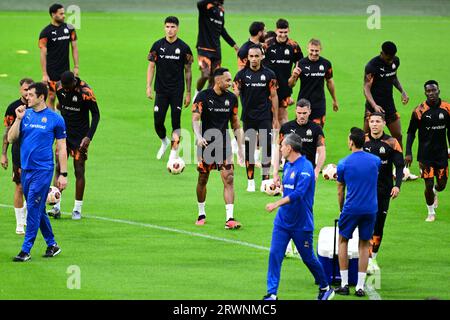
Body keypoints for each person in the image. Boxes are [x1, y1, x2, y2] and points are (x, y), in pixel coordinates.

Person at [263, 133, 334, 301]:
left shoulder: (306, 168)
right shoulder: (288, 166)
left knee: (308, 258)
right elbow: (288, 190)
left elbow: (299, 194)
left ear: (290, 148)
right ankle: (272, 294)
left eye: (282, 146)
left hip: (301, 224)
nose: (280, 149)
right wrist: (278, 187)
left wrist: (276, 204)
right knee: (275, 254)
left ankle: (326, 287)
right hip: (283, 222)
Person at [7, 82, 68, 262]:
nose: (27, 97)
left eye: (31, 95)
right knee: (38, 207)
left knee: (33, 206)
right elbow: (11, 138)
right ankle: (52, 244)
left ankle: (26, 249)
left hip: (43, 170)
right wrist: (18, 119)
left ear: (41, 97)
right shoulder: (25, 116)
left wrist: (63, 174)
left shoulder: (55, 119)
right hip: (26, 169)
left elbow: (62, 148)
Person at [192, 68, 244, 229]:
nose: (230, 83)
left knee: (229, 178)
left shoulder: (232, 99)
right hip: (206, 144)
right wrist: (198, 136)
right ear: (218, 80)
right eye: (227, 80)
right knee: (203, 179)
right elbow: (195, 118)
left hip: (224, 144)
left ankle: (230, 218)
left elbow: (235, 123)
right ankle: (201, 213)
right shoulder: (203, 97)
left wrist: (241, 148)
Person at [47, 71, 100, 220]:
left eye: (68, 87)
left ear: (74, 82)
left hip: (80, 137)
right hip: (64, 135)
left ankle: (77, 209)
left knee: (79, 170)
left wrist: (88, 137)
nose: (66, 90)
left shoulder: (86, 92)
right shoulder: (59, 88)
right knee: (59, 167)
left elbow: (96, 115)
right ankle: (56, 205)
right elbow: (61, 105)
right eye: (64, 87)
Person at [335, 127, 381, 297]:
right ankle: (360, 286)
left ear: (352, 142)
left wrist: (342, 209)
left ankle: (344, 284)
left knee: (343, 241)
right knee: (364, 244)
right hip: (370, 208)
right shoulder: (375, 161)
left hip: (351, 208)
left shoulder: (343, 163)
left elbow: (341, 190)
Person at [146, 16, 193, 161]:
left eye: (173, 27)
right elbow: (151, 66)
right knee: (158, 122)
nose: (170, 30)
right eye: (167, 27)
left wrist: (188, 92)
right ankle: (164, 141)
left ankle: (173, 153)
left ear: (177, 28)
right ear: (164, 28)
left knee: (175, 121)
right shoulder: (157, 45)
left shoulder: (184, 48)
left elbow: (188, 71)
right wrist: (148, 86)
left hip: (177, 91)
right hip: (161, 90)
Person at [234, 45, 279, 192]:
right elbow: (235, 94)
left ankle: (265, 181)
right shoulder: (241, 76)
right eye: (251, 56)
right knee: (250, 149)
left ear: (261, 57)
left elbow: (274, 96)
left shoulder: (269, 74)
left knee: (266, 148)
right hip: (248, 117)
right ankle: (251, 181)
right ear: (248, 58)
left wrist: (276, 118)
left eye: (256, 56)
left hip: (265, 116)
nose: (254, 59)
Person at [363, 112, 404, 273]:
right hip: (365, 190)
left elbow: (400, 166)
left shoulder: (392, 142)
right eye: (372, 121)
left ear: (384, 123)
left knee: (379, 223)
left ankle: (373, 257)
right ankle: (364, 255)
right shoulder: (363, 140)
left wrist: (397, 185)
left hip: (383, 190)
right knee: (366, 222)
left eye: (377, 121)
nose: (374, 124)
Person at [405, 80, 450, 222]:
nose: (431, 93)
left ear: (438, 91)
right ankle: (431, 212)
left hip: (442, 154)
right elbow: (411, 132)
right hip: (425, 156)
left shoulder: (447, 108)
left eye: (433, 90)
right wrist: (408, 152)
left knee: (442, 185)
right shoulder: (419, 111)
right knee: (428, 184)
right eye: (428, 91)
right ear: (425, 93)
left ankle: (436, 192)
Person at [2, 78, 34, 234]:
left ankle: (28, 216)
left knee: (32, 188)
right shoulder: (12, 108)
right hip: (18, 153)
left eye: (30, 90)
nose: (27, 92)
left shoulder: (37, 108)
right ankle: (20, 223)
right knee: (20, 186)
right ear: (20, 90)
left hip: (34, 154)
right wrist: (3, 154)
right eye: (25, 89)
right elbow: (7, 132)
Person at [363, 41, 409, 148]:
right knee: (365, 138)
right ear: (382, 53)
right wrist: (374, 105)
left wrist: (402, 91)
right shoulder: (372, 66)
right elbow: (366, 88)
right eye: (388, 58)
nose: (391, 61)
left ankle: (399, 163)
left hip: (389, 105)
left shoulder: (395, 61)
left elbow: (393, 77)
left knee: (398, 136)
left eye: (393, 58)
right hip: (372, 107)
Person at [289, 39, 338, 128]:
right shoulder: (300, 63)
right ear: (308, 49)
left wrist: (334, 100)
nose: (314, 53)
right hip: (303, 104)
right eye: (312, 50)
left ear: (320, 50)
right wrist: (294, 76)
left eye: (316, 51)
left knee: (318, 131)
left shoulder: (326, 64)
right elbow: (291, 84)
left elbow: (329, 82)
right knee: (301, 131)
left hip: (319, 103)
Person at [194, 0, 238, 97]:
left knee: (214, 78)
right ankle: (197, 93)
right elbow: (199, 4)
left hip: (216, 50)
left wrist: (233, 44)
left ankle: (209, 99)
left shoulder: (221, 10)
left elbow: (222, 29)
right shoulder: (206, 6)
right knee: (205, 75)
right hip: (204, 48)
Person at [264, 18, 303, 126]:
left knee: (282, 116)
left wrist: (295, 75)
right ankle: (268, 142)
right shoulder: (267, 45)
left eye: (285, 32)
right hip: (267, 87)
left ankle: (282, 142)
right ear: (276, 30)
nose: (283, 35)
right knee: (267, 116)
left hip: (285, 87)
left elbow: (300, 62)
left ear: (288, 31)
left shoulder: (293, 45)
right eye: (280, 32)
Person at [39, 3, 79, 109]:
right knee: (51, 96)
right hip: (52, 71)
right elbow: (42, 53)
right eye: (61, 14)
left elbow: (74, 48)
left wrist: (76, 67)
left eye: (64, 13)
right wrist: (44, 74)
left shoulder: (70, 28)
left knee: (67, 96)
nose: (64, 15)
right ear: (53, 14)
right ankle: (52, 121)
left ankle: (64, 120)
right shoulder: (45, 33)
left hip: (66, 71)